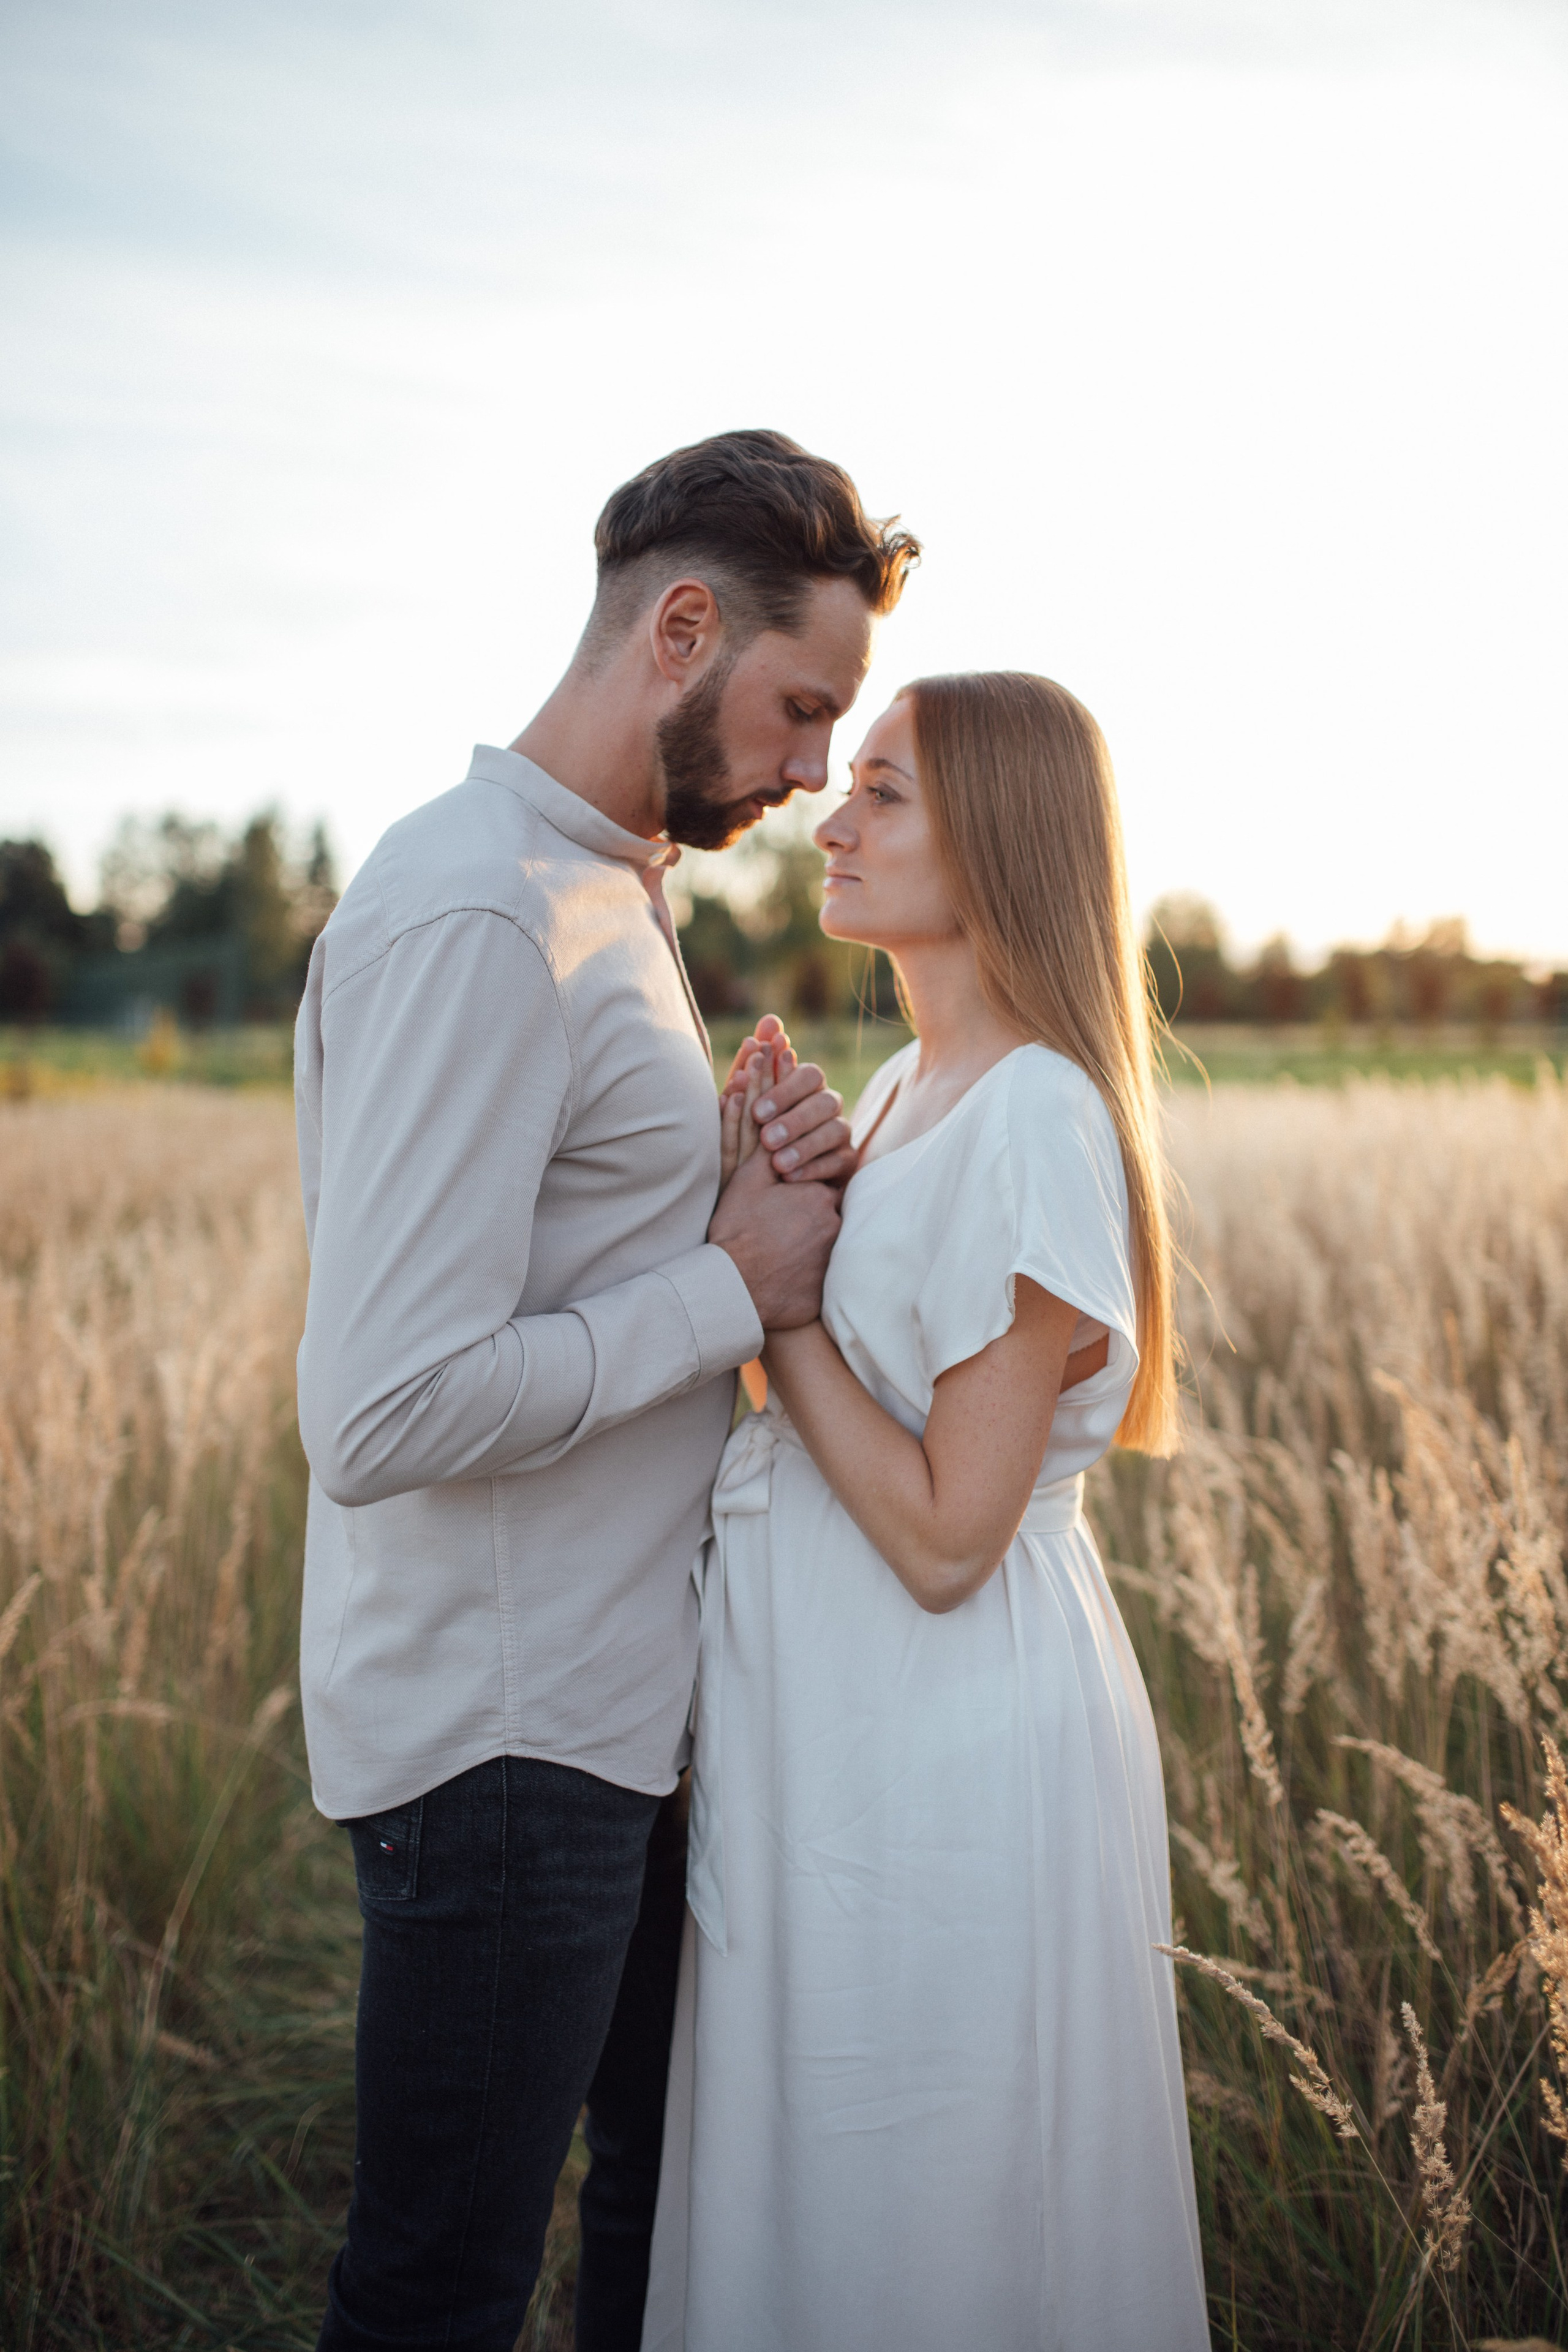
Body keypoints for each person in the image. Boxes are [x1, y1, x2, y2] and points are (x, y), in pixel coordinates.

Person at [294, 429, 918, 2351]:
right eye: (805, 706)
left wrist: (733, 1181)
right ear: (683, 629)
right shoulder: (482, 909)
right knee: (442, 2287)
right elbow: (381, 1410)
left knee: (658, 2209)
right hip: (507, 1741)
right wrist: (730, 1284)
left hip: (613, 1705)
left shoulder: (606, 887)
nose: (813, 769)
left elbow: (565, 1244)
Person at [643, 673, 1210, 2350]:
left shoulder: (1035, 1108)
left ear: (1001, 838)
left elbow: (955, 1537)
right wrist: (770, 1195)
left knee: (928, 2199)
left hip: (947, 1744)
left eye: (884, 792)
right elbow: (840, 1407)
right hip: (841, 1730)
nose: (833, 819)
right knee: (829, 2183)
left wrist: (775, 1303)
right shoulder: (905, 1087)